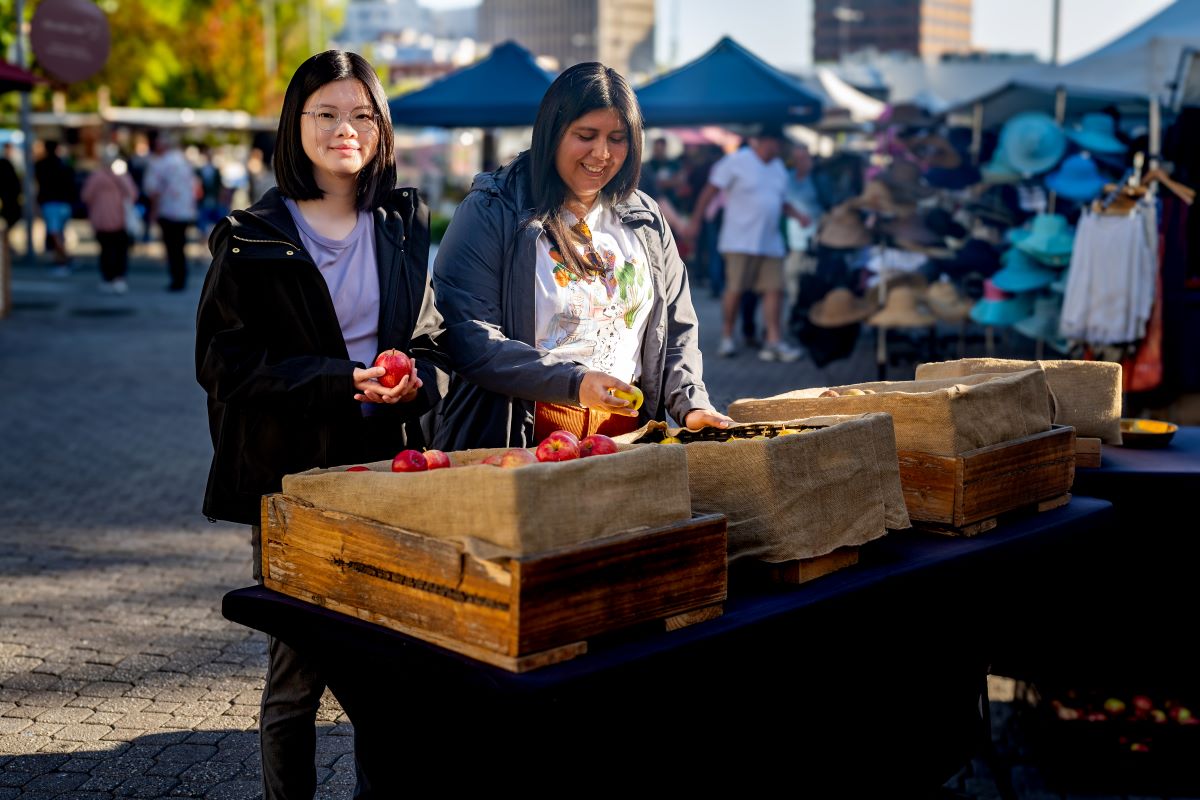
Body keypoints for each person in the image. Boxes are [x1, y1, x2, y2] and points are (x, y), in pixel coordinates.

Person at [195, 50, 445, 799]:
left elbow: (432, 343)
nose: (346, 129)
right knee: (299, 673)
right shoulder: (249, 234)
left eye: (362, 114)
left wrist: (415, 384)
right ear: (295, 125)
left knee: (389, 667)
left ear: (382, 128)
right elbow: (224, 363)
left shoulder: (404, 221)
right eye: (327, 113)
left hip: (386, 471)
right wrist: (342, 381)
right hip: (295, 479)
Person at [432, 61, 730, 453]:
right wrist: (573, 382)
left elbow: (675, 331)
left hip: (625, 437)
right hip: (518, 438)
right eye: (586, 135)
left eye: (618, 138)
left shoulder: (645, 218)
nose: (602, 154)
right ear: (552, 133)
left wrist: (691, 403)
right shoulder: (492, 210)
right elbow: (468, 336)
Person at [689, 124, 809, 362]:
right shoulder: (736, 161)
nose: (778, 148)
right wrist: (696, 221)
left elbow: (780, 201)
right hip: (739, 240)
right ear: (762, 141)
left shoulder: (779, 169)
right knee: (735, 289)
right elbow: (709, 191)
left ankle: (774, 341)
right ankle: (726, 336)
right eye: (775, 143)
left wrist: (798, 215)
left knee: (775, 290)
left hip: (771, 241)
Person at [143, 133, 199, 291]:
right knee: (180, 245)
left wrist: (153, 211)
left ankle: (177, 278)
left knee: (172, 246)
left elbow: (153, 190)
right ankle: (181, 276)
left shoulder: (158, 163)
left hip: (168, 210)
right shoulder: (184, 162)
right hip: (185, 210)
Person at [80, 153, 138, 294]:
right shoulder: (123, 177)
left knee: (106, 251)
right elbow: (133, 194)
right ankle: (119, 278)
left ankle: (108, 278)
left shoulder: (96, 177)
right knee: (120, 252)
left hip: (101, 219)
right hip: (121, 219)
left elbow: (85, 196)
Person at [33, 140, 77, 272]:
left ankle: (63, 259)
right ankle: (61, 257)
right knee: (59, 232)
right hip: (63, 202)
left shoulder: (41, 165)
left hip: (51, 202)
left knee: (55, 232)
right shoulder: (63, 164)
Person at [0, 143, 22, 266]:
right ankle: (6, 245)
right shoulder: (4, 163)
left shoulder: (10, 162)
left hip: (11, 200)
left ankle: (7, 245)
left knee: (10, 223)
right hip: (8, 200)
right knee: (8, 223)